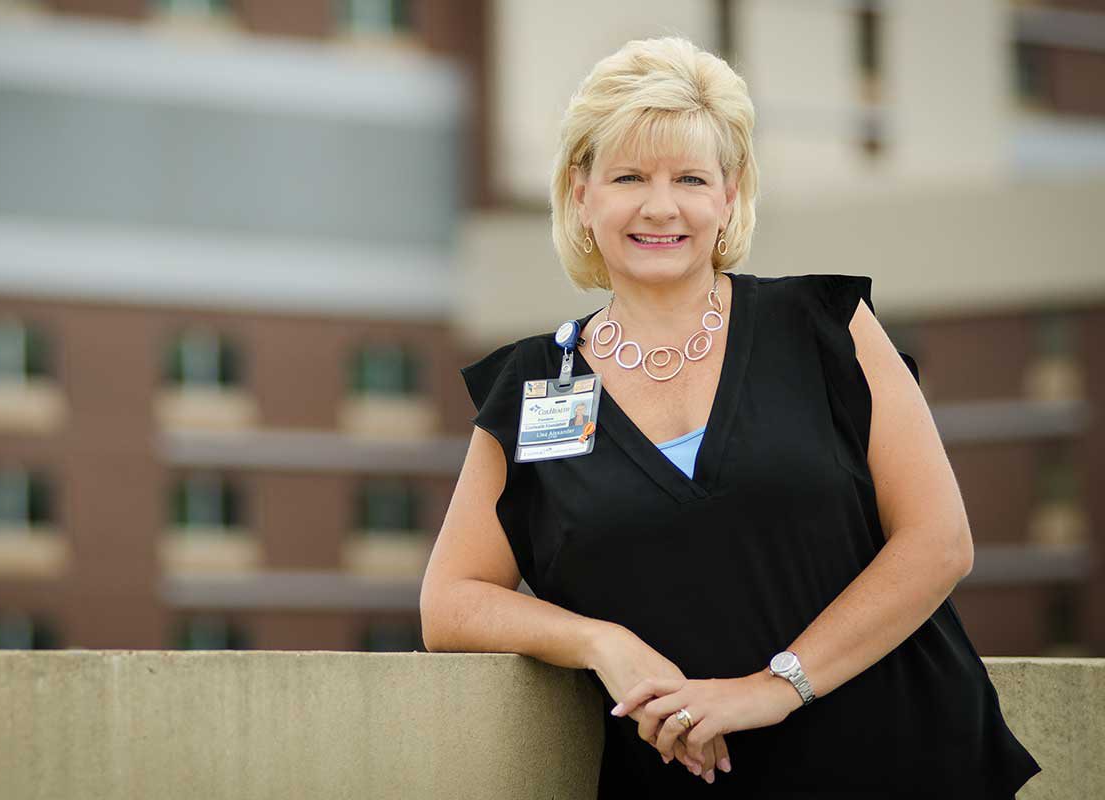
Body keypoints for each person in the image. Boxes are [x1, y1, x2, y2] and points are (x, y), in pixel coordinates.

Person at [420, 36, 1041, 798]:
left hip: (902, 762)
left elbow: (940, 542)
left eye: (689, 177)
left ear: (729, 193)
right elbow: (449, 602)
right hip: (686, 780)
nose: (660, 205)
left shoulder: (825, 329)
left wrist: (773, 687)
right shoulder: (537, 388)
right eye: (628, 177)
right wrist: (598, 642)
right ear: (581, 195)